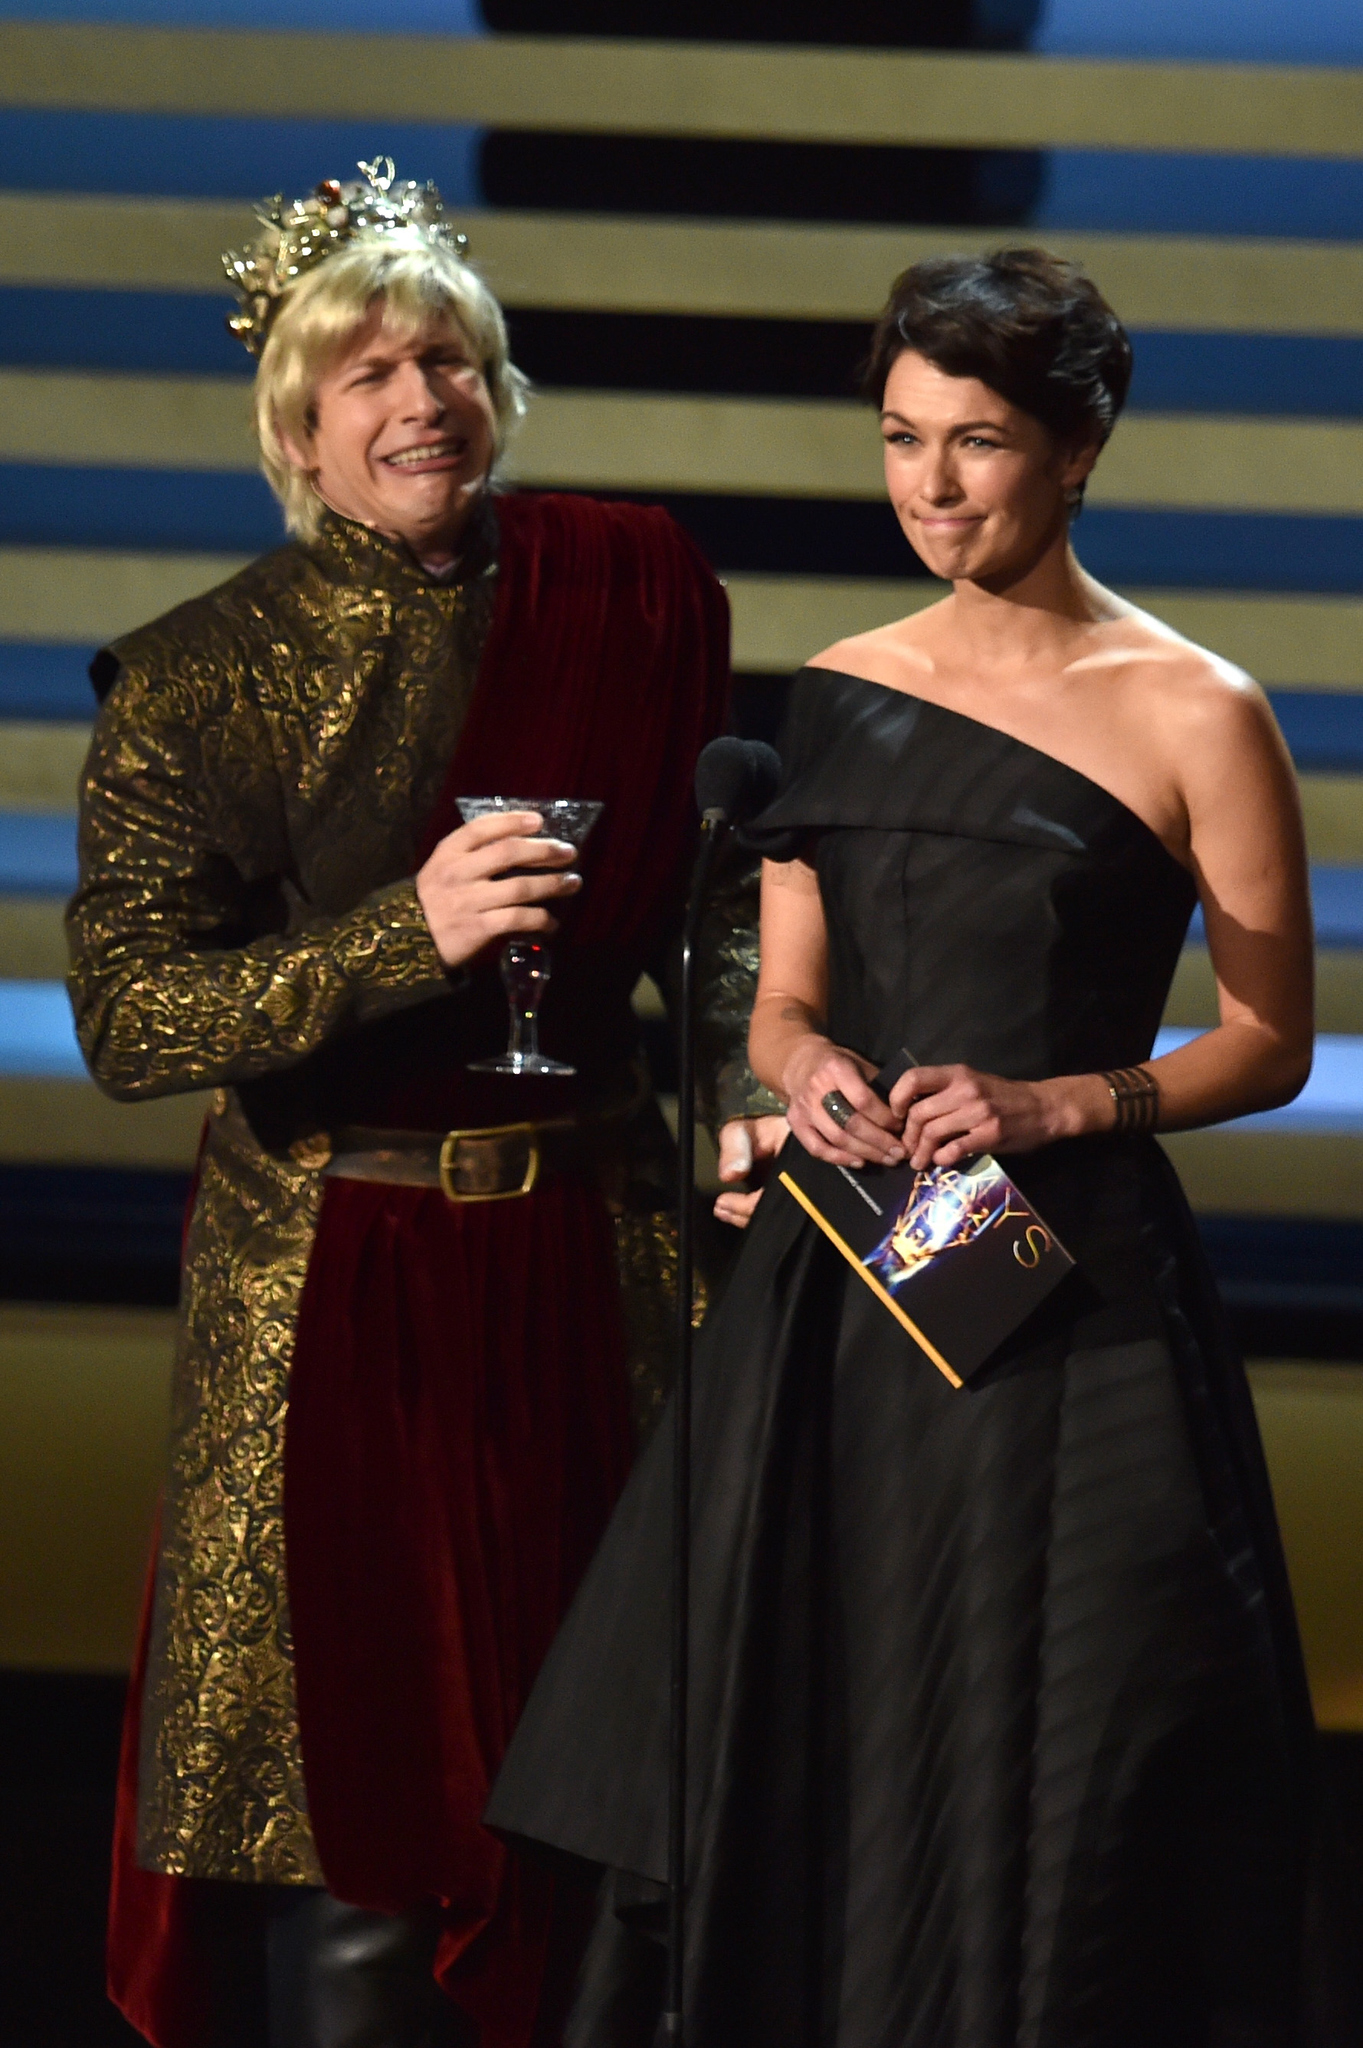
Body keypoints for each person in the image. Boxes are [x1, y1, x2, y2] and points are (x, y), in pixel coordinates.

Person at [486, 248, 1330, 2045]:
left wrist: (1061, 1103)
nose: (933, 487)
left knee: (1085, 1745)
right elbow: (783, 1001)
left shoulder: (1200, 707)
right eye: (900, 439)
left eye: (980, 443)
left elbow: (1272, 1041)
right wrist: (801, 1075)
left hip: (1074, 1307)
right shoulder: (840, 692)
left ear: (1082, 445)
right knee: (822, 1717)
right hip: (853, 1282)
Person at [68, 160, 783, 2048]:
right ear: (299, 430)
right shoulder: (200, 678)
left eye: (450, 360)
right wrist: (405, 934)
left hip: (602, 1252)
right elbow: (132, 1019)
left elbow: (715, 927)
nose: (421, 402)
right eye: (370, 372)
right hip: (336, 1281)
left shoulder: (625, 592)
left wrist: (744, 1092)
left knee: (619, 1774)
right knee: (367, 1812)